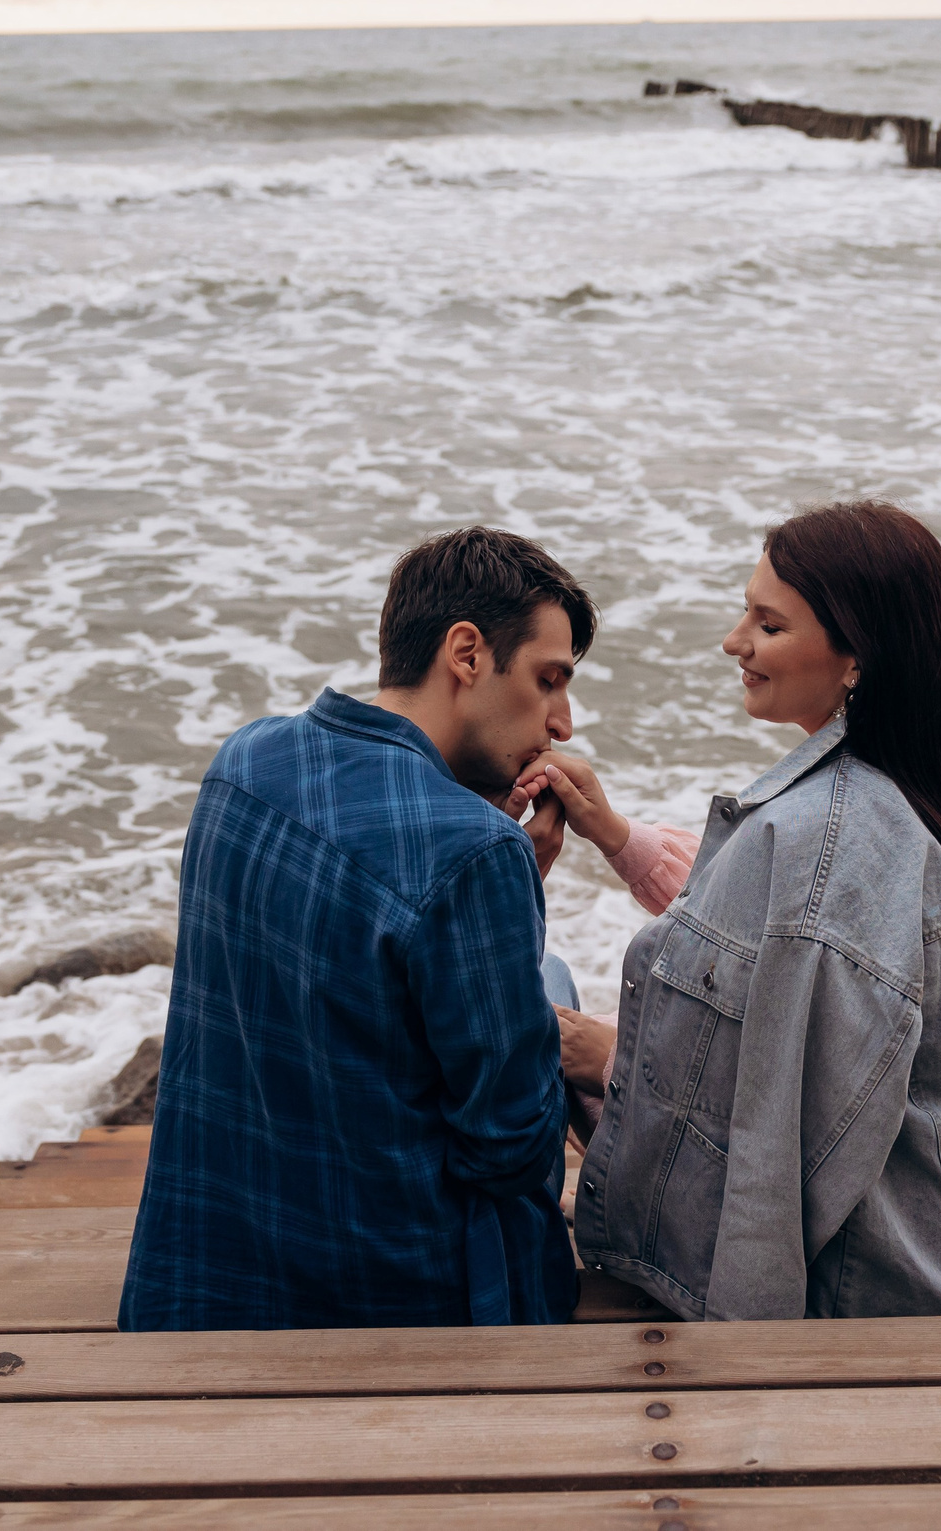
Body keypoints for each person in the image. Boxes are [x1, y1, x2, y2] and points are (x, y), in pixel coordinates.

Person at [521, 501, 941, 1321]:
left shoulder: (828, 834)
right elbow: (772, 940)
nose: (733, 640)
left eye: (768, 623)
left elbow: (788, 1134)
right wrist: (618, 837)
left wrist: (752, 1351)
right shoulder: (925, 776)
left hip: (897, 1273)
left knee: (548, 1003)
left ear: (856, 653)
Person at [118, 527, 592, 1331]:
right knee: (551, 984)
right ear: (467, 653)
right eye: (550, 680)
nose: (563, 721)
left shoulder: (242, 761)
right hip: (400, 1304)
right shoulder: (476, 852)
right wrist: (514, 888)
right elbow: (509, 1147)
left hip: (202, 1281)